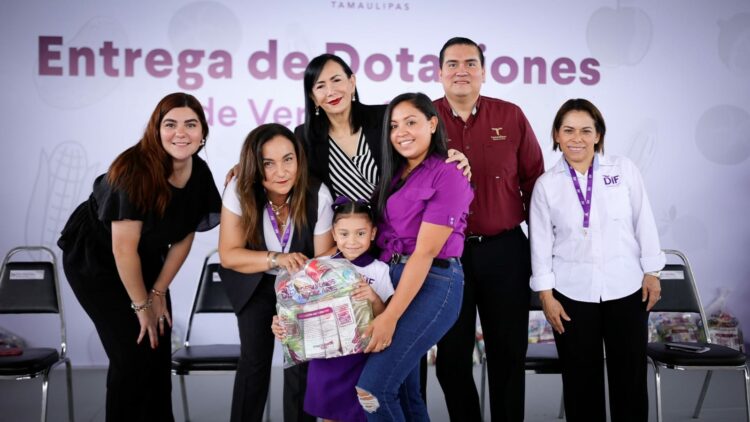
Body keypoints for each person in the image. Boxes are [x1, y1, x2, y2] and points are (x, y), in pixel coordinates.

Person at [57, 92, 221, 422]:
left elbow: (184, 237)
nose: (181, 133)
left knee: (157, 350)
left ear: (203, 132)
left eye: (191, 125)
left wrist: (158, 292)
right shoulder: (133, 172)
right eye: (170, 124)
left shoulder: (199, 172)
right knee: (132, 354)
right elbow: (122, 249)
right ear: (155, 131)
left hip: (144, 255)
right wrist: (141, 306)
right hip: (97, 261)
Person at [529, 98, 664, 421]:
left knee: (630, 379)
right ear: (556, 135)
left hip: (627, 288)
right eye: (568, 130)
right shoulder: (547, 185)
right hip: (571, 295)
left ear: (598, 135)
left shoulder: (623, 170)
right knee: (580, 383)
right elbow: (541, 245)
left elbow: (644, 221)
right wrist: (546, 296)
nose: (577, 138)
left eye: (586, 130)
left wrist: (653, 272)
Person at [431, 37, 545, 421]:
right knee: (451, 359)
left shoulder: (510, 116)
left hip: (505, 251)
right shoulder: (425, 119)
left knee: (508, 357)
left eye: (470, 63)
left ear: (483, 71)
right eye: (452, 64)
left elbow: (535, 183)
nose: (461, 71)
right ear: (440, 72)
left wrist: (543, 253)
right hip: (447, 256)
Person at [355, 92, 473, 421]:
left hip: (434, 282)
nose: (401, 132)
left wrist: (389, 317)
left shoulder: (448, 172)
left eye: (411, 122)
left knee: (372, 389)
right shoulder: (395, 174)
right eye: (394, 126)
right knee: (407, 395)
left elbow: (425, 252)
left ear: (432, 124)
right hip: (393, 278)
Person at [218, 123, 335, 422]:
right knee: (254, 362)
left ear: (299, 158)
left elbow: (323, 258)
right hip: (254, 282)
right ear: (255, 165)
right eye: (268, 163)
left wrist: (295, 297)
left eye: (288, 159)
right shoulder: (239, 189)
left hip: (302, 284)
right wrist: (277, 259)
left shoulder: (317, 194)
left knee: (300, 363)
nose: (281, 172)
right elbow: (229, 255)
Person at [271, 197, 394, 422]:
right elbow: (297, 307)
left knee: (362, 415)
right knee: (329, 414)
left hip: (362, 360)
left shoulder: (379, 270)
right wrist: (281, 323)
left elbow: (386, 317)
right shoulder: (318, 267)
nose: (352, 241)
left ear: (373, 233)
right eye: (344, 234)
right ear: (334, 234)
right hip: (326, 358)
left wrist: (374, 298)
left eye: (360, 233)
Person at [294, 53, 471, 201]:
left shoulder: (385, 116)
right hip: (347, 230)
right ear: (312, 96)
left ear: (352, 82)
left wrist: (449, 156)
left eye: (336, 80)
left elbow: (421, 149)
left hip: (398, 223)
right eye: (320, 86)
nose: (331, 91)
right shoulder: (304, 136)